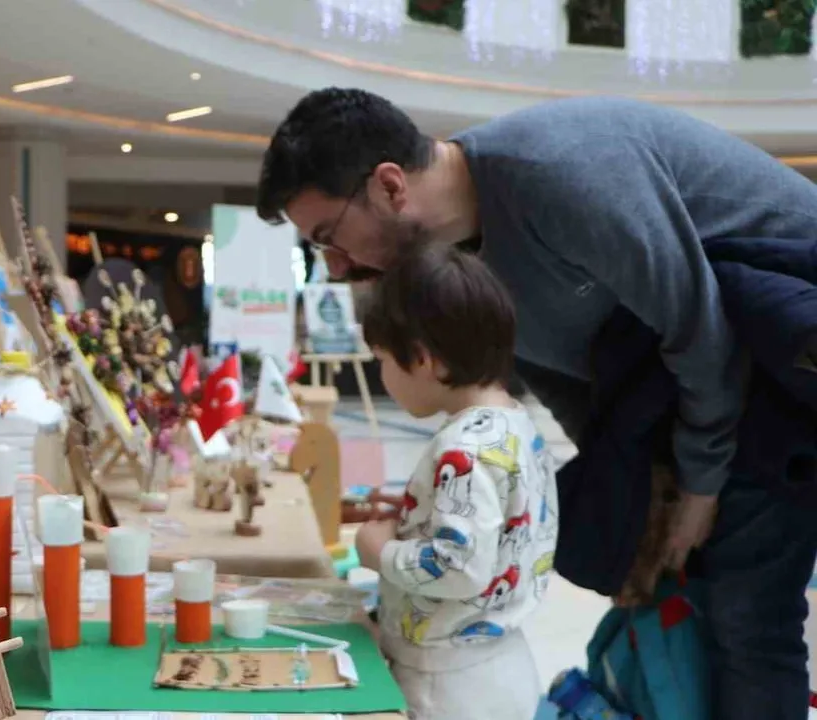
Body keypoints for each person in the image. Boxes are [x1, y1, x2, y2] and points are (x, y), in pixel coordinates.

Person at [256, 87, 817, 720]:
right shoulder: (465, 258)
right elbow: (571, 380)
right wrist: (648, 488)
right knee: (704, 605)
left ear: (389, 186)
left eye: (331, 236)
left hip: (779, 373)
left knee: (749, 616)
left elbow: (701, 331)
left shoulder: (563, 175)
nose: (335, 267)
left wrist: (698, 486)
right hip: (709, 392)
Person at [353, 240, 556, 720]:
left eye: (382, 359)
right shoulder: (514, 424)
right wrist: (417, 513)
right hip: (497, 665)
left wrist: (379, 552)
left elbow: (459, 566)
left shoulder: (463, 448)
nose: (382, 374)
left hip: (446, 684)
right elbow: (500, 527)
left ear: (423, 359)